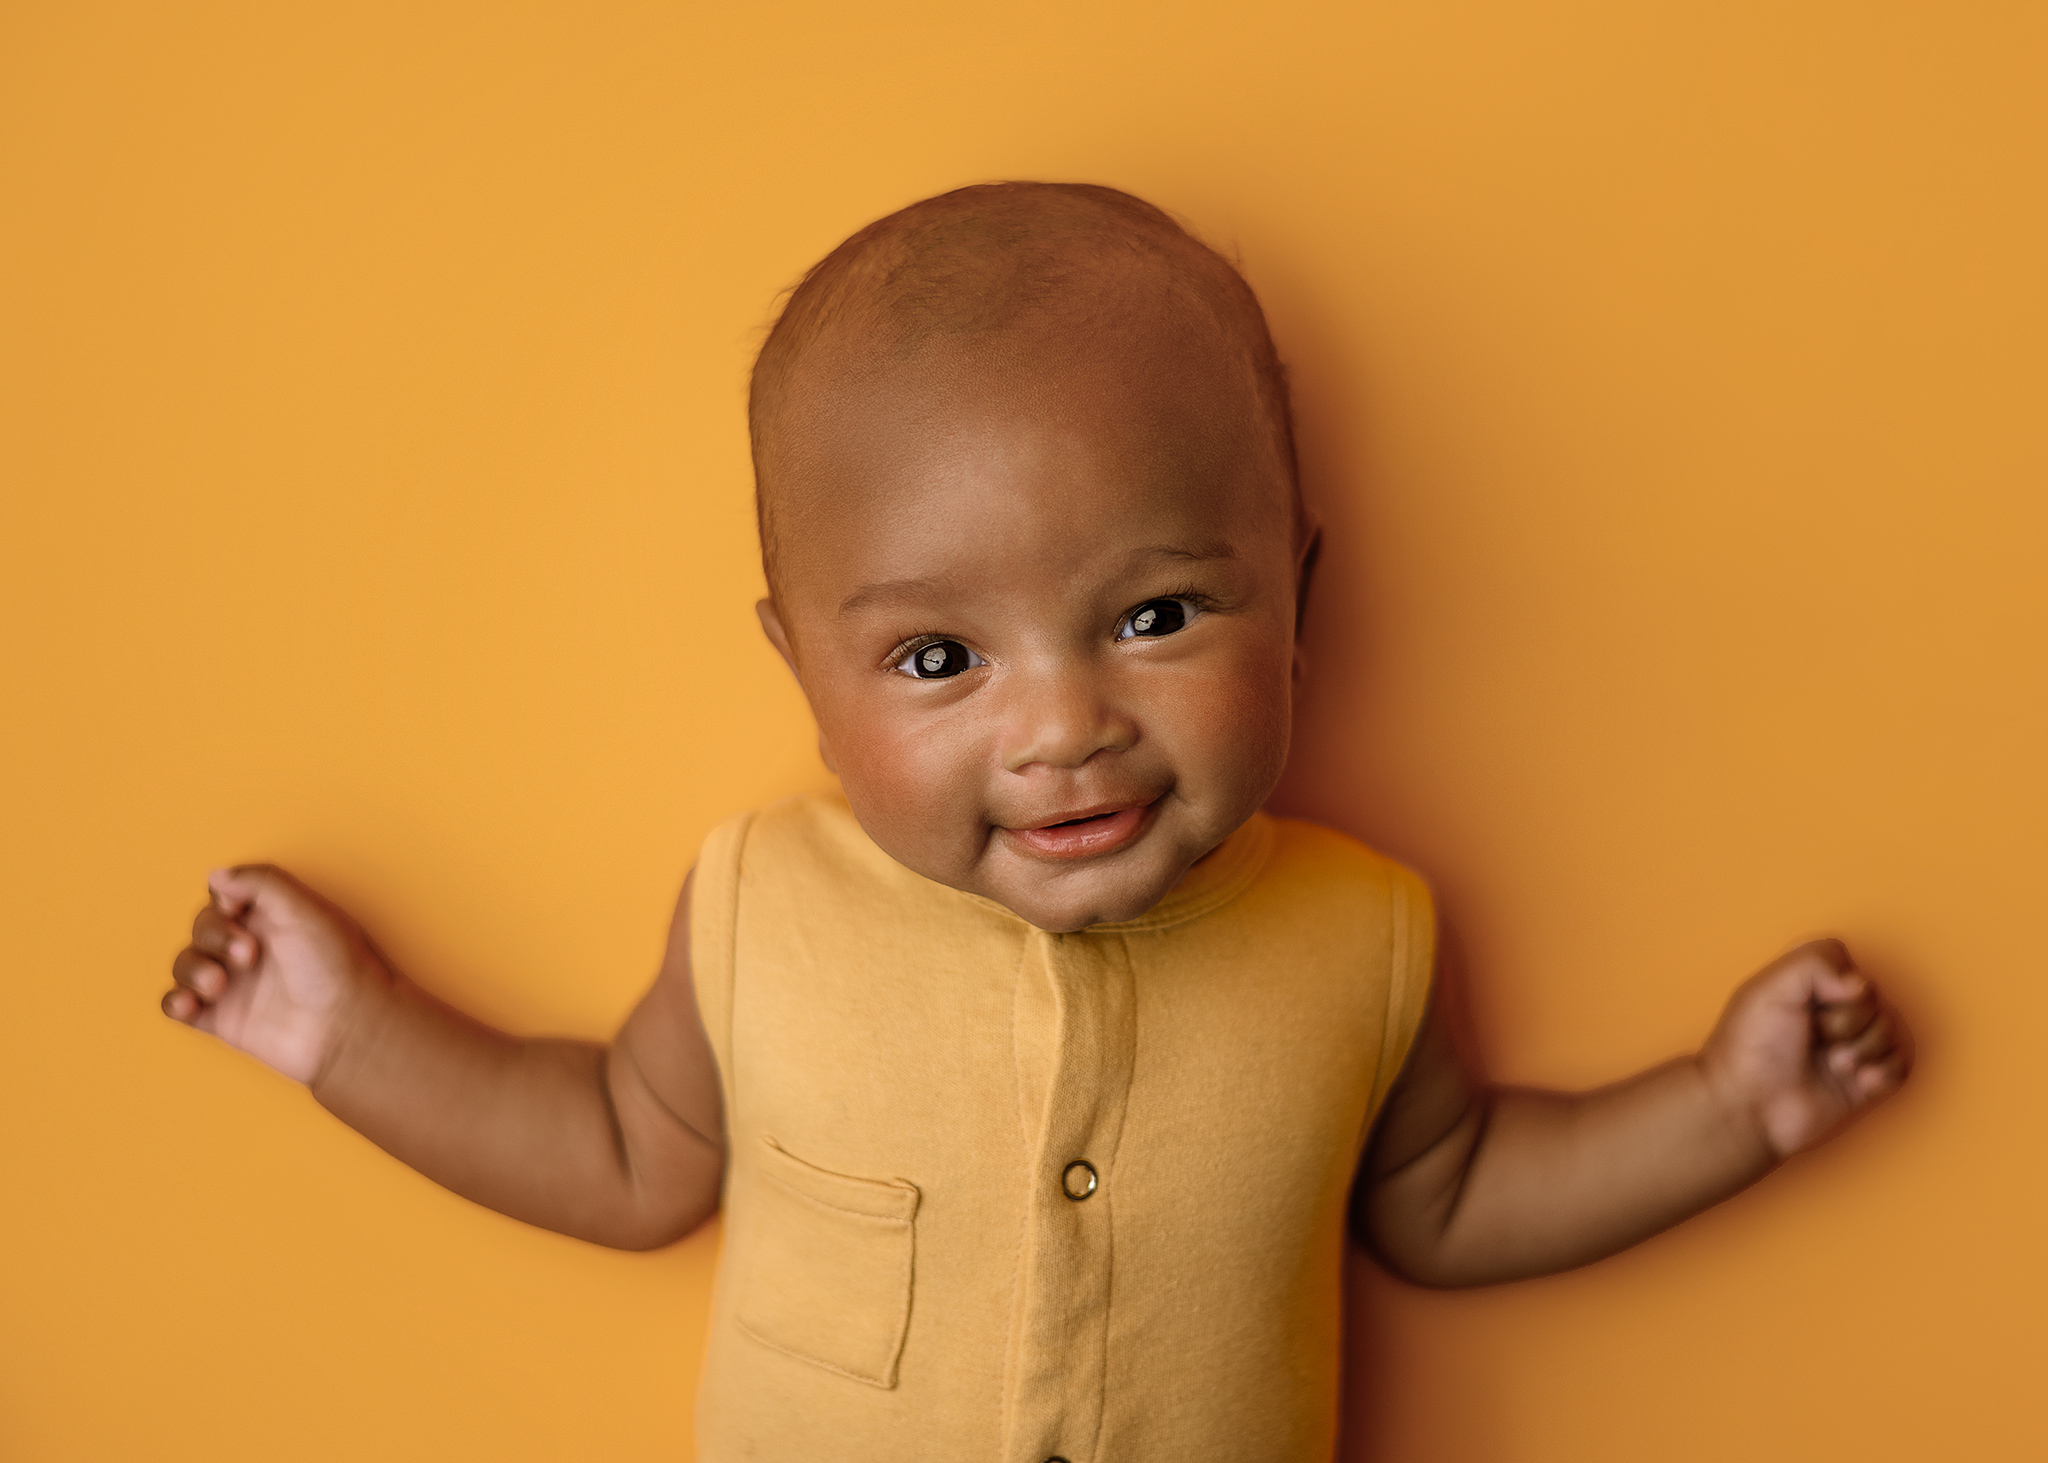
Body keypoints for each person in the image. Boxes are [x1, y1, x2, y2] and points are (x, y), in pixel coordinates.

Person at [161, 182, 1911, 1461]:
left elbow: (1448, 1199)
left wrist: (1728, 1109)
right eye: (939, 659)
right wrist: (347, 1033)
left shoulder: (1364, 935)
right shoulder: (762, 906)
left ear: (1299, 601)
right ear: (805, 676)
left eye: (1157, 616)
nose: (1067, 728)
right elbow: (624, 1150)